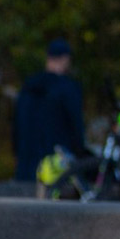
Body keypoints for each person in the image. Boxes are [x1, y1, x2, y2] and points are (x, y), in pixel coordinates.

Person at [12, 38, 84, 183]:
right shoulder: (68, 89)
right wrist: (80, 152)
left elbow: (16, 125)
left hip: (26, 166)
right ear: (65, 59)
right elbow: (76, 125)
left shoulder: (28, 87)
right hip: (56, 167)